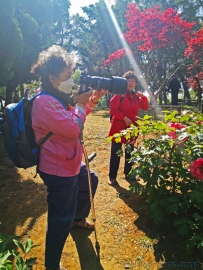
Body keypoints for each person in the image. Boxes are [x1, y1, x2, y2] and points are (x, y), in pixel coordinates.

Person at [30, 45, 106, 270]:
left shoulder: (57, 97)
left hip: (68, 162)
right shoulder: (44, 102)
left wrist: (90, 102)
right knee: (59, 220)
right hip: (57, 169)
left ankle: (78, 218)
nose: (71, 80)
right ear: (53, 78)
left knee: (89, 179)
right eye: (67, 76)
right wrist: (81, 104)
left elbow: (75, 118)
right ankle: (52, 265)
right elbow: (74, 127)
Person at [108, 71, 149, 186]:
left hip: (131, 129)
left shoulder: (136, 96)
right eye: (128, 81)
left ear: (135, 84)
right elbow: (113, 110)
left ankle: (129, 174)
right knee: (116, 153)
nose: (131, 83)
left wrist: (143, 97)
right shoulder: (119, 94)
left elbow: (145, 107)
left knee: (130, 152)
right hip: (118, 129)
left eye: (133, 81)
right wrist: (123, 117)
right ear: (124, 83)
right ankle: (112, 177)